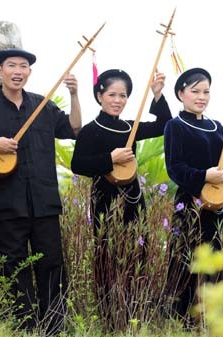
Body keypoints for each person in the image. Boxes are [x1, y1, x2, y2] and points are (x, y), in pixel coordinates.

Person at [0, 48, 81, 335]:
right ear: (0, 71)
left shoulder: (42, 106)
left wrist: (73, 94)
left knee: (52, 265)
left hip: (45, 202)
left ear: (29, 72)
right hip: (6, 205)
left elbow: (74, 129)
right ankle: (25, 328)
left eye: (24, 66)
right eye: (12, 65)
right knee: (14, 268)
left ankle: (54, 328)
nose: (18, 71)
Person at [70, 69, 172, 329]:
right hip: (105, 201)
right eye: (112, 94)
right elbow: (78, 165)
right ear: (99, 96)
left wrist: (157, 94)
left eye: (123, 95)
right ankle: (109, 319)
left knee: (138, 253)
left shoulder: (131, 127)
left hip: (134, 199)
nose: (118, 100)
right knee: (107, 255)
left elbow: (163, 125)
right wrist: (110, 159)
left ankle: (134, 315)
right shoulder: (91, 131)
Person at [163, 67, 223, 328]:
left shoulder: (214, 126)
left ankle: (218, 317)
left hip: (218, 205)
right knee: (189, 258)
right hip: (190, 204)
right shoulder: (175, 126)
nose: (201, 96)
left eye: (206, 92)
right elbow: (174, 168)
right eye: (195, 91)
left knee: (220, 256)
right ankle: (186, 320)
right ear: (181, 94)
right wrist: (204, 175)